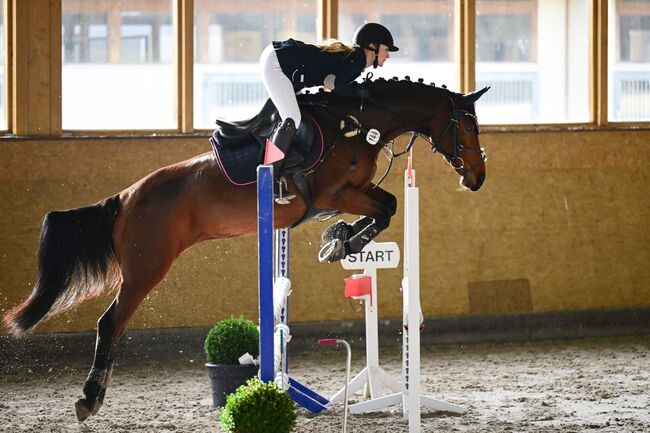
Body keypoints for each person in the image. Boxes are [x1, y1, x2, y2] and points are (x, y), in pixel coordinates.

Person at [259, 22, 398, 203]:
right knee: (291, 119)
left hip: (279, 58)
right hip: (277, 63)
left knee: (296, 115)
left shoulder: (356, 59)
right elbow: (330, 83)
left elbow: (331, 82)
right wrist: (358, 92)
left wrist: (356, 90)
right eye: (387, 50)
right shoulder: (357, 60)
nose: (388, 55)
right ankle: (268, 181)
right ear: (373, 46)